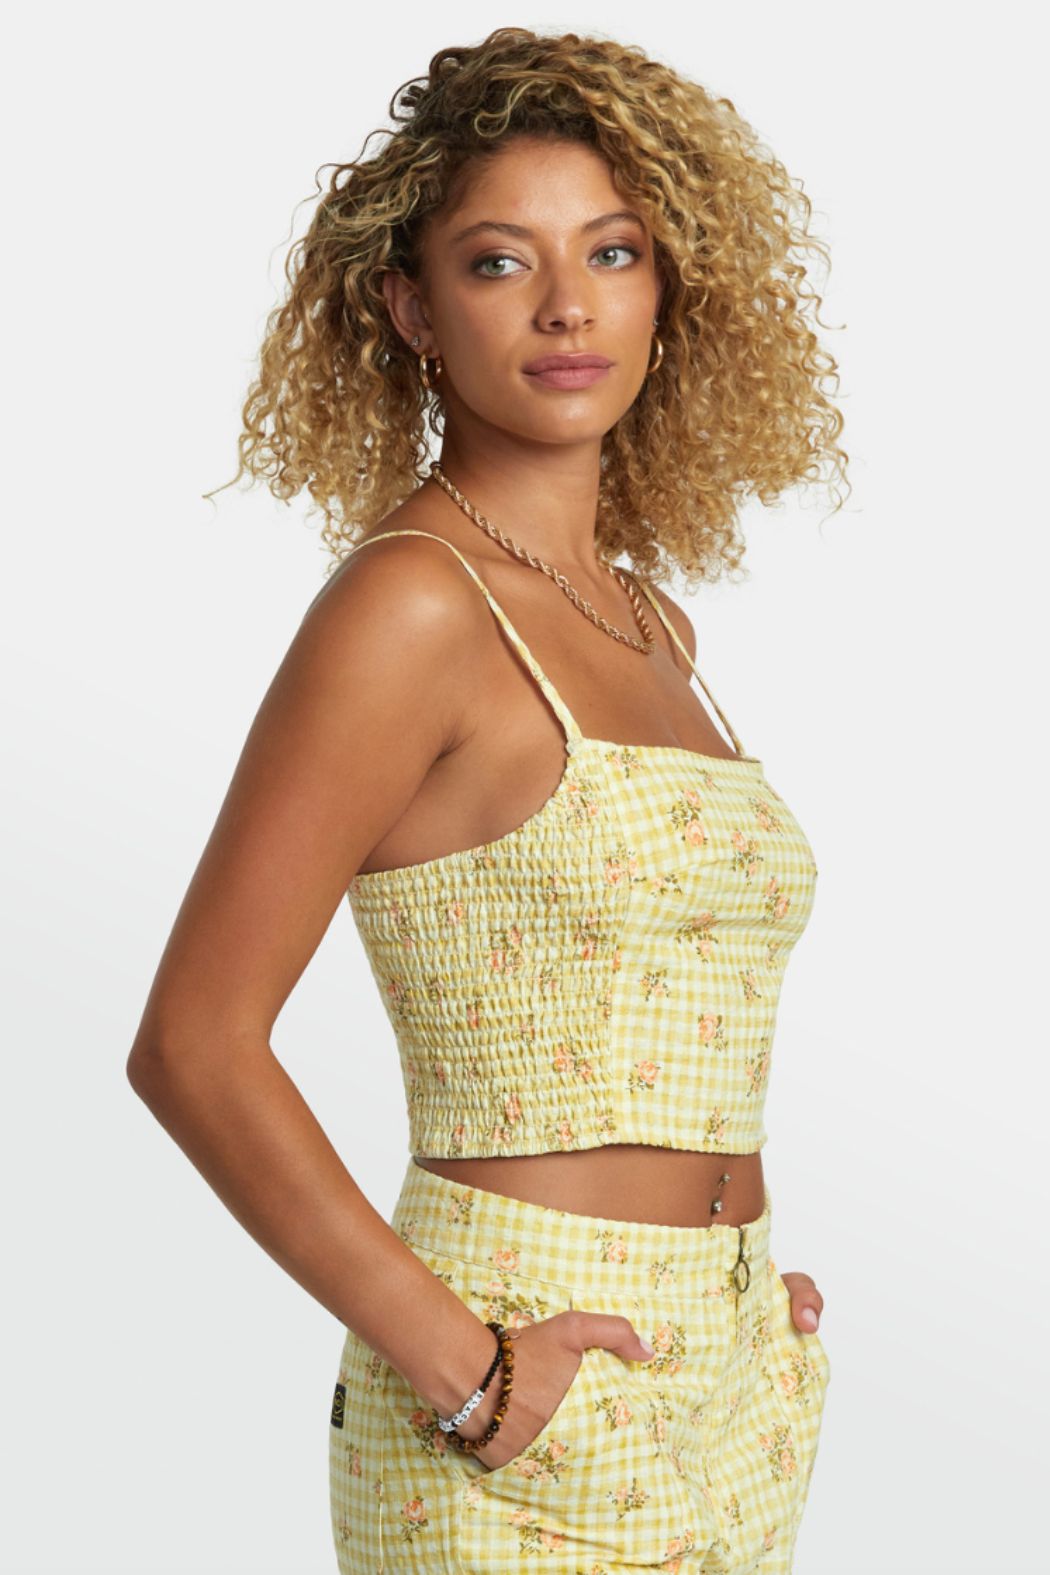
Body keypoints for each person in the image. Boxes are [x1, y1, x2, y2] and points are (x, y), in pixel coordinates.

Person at [128, 25, 849, 1574]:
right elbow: (193, 1043)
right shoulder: (413, 606)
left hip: (734, 1373)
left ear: (668, 292)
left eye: (612, 251)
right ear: (411, 307)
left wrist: (739, 1291)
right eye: (498, 262)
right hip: (517, 1366)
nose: (567, 304)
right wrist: (468, 1368)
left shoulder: (653, 626)